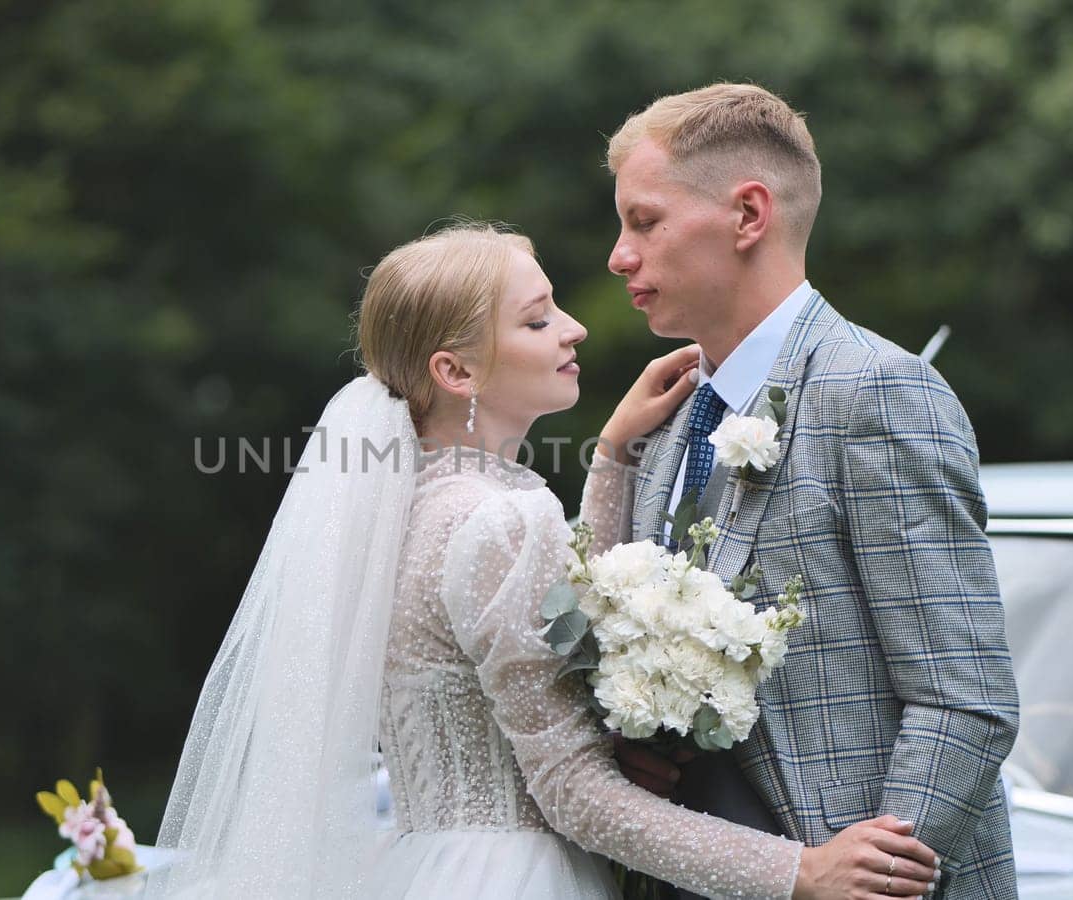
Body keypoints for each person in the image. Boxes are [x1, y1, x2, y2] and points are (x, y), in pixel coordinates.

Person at [148, 222, 938, 899]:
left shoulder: (411, 511)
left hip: (432, 867)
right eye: (536, 322)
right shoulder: (498, 519)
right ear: (455, 372)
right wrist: (797, 871)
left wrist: (613, 458)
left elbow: (549, 622)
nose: (575, 329)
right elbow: (573, 792)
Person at [601, 84, 1020, 900]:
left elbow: (965, 701)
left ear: (748, 215)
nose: (619, 255)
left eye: (643, 221)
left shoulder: (878, 393)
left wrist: (868, 881)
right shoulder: (663, 417)